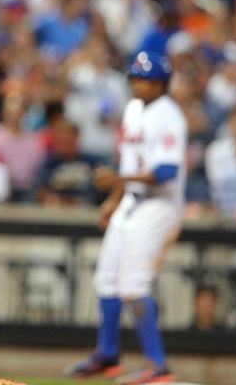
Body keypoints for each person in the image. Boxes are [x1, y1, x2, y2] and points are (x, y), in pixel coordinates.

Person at [67, 51, 187, 384]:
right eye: (134, 77)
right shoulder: (133, 109)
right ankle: (107, 355)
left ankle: (157, 364)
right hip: (131, 199)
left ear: (161, 83)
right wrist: (115, 197)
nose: (137, 83)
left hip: (159, 204)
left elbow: (166, 170)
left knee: (133, 286)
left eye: (144, 78)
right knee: (106, 280)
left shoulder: (170, 116)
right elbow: (130, 162)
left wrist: (119, 183)